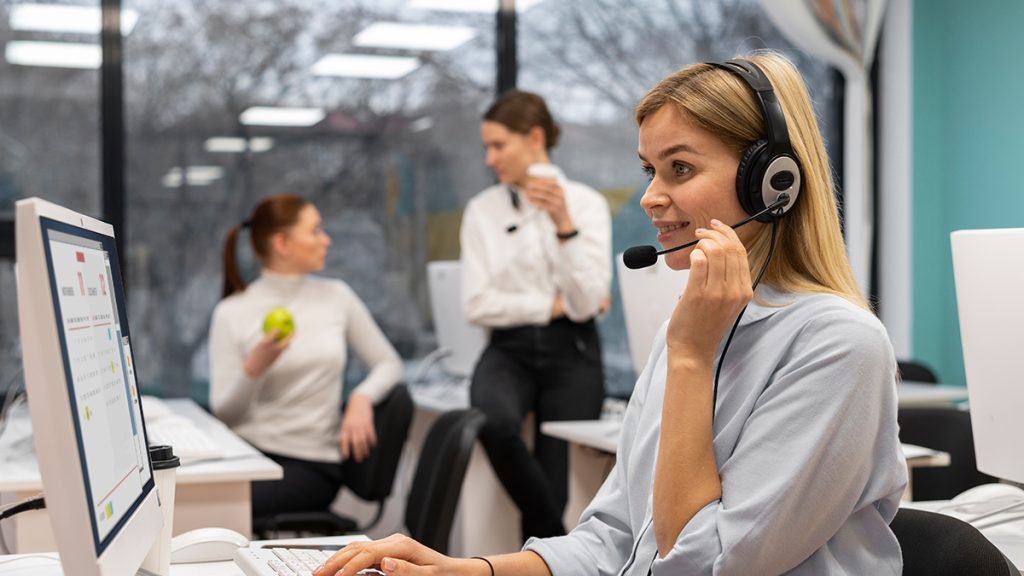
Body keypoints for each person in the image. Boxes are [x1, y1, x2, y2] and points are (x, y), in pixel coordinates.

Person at [313, 51, 907, 576]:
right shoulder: (691, 330)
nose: (649, 196)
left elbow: (715, 564)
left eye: (680, 168)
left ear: (771, 182)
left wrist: (693, 359)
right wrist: (468, 570)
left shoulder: (836, 344)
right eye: (650, 169)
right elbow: (613, 540)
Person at [461, 89, 612, 540]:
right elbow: (477, 304)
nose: (490, 159)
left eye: (498, 145)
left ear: (534, 137)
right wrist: (548, 305)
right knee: (491, 419)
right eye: (486, 147)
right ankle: (551, 535)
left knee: (557, 477)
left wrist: (563, 224)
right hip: (509, 348)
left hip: (575, 349)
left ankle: (539, 552)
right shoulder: (482, 211)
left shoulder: (585, 205)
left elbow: (587, 303)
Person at [209, 193, 402, 522]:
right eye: (315, 231)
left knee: (207, 509)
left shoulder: (336, 296)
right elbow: (225, 413)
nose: (326, 240)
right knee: (186, 498)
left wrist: (361, 397)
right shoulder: (231, 312)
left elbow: (389, 364)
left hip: (311, 465)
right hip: (248, 456)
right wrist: (254, 368)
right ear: (282, 243)